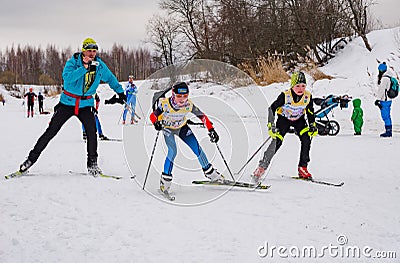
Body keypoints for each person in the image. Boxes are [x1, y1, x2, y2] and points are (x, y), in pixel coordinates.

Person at [16, 38, 126, 176]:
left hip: (86, 104)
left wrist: (120, 92)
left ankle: (92, 164)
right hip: (67, 103)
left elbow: (111, 79)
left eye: (94, 51)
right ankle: (30, 160)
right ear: (83, 51)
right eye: (89, 50)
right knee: (50, 132)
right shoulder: (73, 62)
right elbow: (67, 78)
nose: (92, 54)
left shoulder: (99, 65)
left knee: (92, 133)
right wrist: (84, 68)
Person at [149, 82, 223, 194]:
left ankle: (211, 174)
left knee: (196, 148)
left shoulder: (189, 105)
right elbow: (153, 115)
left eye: (185, 96)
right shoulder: (165, 104)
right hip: (168, 129)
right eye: (179, 96)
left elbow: (202, 116)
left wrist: (211, 129)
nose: (182, 99)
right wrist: (156, 123)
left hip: (182, 128)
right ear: (173, 94)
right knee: (172, 151)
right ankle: (165, 181)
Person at [251, 71, 318, 183]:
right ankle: (262, 167)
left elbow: (310, 112)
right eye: (297, 86)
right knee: (277, 141)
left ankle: (303, 168)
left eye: (303, 86)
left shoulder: (307, 96)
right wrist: (271, 125)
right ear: (292, 86)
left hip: (299, 120)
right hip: (284, 120)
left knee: (306, 139)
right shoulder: (285, 96)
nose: (300, 89)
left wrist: (312, 125)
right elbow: (271, 109)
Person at [375, 62, 393, 137]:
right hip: (387, 99)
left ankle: (388, 132)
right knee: (387, 116)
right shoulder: (388, 77)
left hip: (385, 100)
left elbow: (381, 89)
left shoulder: (385, 78)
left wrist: (378, 99)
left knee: (385, 116)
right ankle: (388, 130)